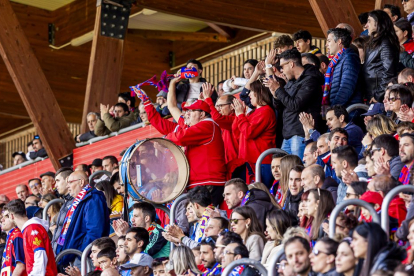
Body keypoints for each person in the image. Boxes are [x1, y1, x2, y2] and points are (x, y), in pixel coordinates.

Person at [167, 77, 226, 198]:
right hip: (202, 182)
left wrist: (165, 139)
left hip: (208, 182)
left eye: (192, 111)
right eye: (187, 111)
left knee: (205, 216)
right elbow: (172, 107)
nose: (187, 113)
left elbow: (180, 137)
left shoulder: (207, 125)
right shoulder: (200, 126)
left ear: (202, 114)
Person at [265, 48, 323, 159]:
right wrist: (275, 94)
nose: (281, 70)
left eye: (282, 67)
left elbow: (295, 104)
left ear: (291, 64)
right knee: (286, 173)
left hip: (300, 133)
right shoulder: (292, 81)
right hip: (288, 134)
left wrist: (278, 89)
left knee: (298, 170)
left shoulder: (310, 80)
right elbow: (281, 105)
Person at [55, 171, 110, 267]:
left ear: (81, 182)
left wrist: (80, 254)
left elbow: (95, 232)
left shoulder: (93, 199)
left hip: (84, 257)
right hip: (74, 255)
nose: (68, 186)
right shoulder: (78, 201)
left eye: (70, 182)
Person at [232, 79, 276, 186]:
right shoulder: (252, 112)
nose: (249, 95)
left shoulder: (266, 111)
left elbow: (248, 132)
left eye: (251, 92)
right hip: (248, 162)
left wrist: (240, 115)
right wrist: (239, 114)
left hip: (260, 162)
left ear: (260, 92)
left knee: (260, 195)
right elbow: (237, 132)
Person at [6, 199, 57, 276]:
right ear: (25, 212)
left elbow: (40, 254)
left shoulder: (32, 228)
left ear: (11, 216)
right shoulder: (29, 229)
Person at [363, 10, 400, 103]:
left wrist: (378, 95)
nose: (366, 25)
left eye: (369, 21)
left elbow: (389, 72)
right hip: (372, 93)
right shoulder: (375, 42)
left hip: (378, 96)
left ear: (378, 23)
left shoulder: (385, 43)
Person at [324, 28, 361, 108]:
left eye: (329, 41)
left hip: (348, 110)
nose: (326, 44)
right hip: (342, 108)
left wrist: (334, 107)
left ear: (339, 41)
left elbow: (346, 87)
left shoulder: (349, 58)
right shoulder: (336, 61)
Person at [51, 167, 74, 253]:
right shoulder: (65, 203)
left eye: (58, 181)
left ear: (67, 180)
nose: (55, 185)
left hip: (70, 255)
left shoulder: (76, 201)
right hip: (61, 255)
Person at [0, 205, 26, 276]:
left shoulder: (17, 235)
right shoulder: (10, 236)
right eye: (2, 217)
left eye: (6, 217)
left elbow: (20, 266)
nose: (2, 220)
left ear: (12, 217)